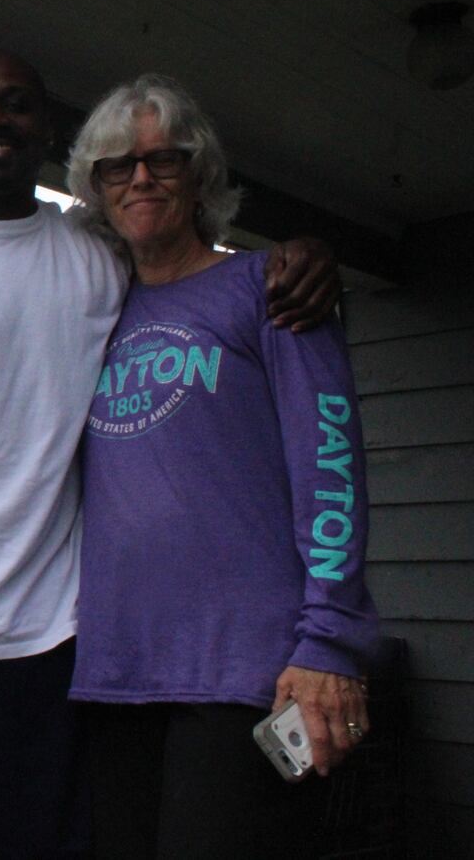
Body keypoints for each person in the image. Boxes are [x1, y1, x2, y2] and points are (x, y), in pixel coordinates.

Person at [0, 51, 338, 860]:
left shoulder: (95, 256)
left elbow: (187, 260)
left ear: (47, 130)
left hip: (47, 654)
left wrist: (302, 254)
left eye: (15, 104)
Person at [65, 74, 376, 860]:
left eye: (162, 160)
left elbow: (331, 466)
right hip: (113, 673)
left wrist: (329, 644)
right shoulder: (94, 313)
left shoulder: (268, 289)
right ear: (95, 189)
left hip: (247, 672)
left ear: (199, 173)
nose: (140, 178)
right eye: (117, 166)